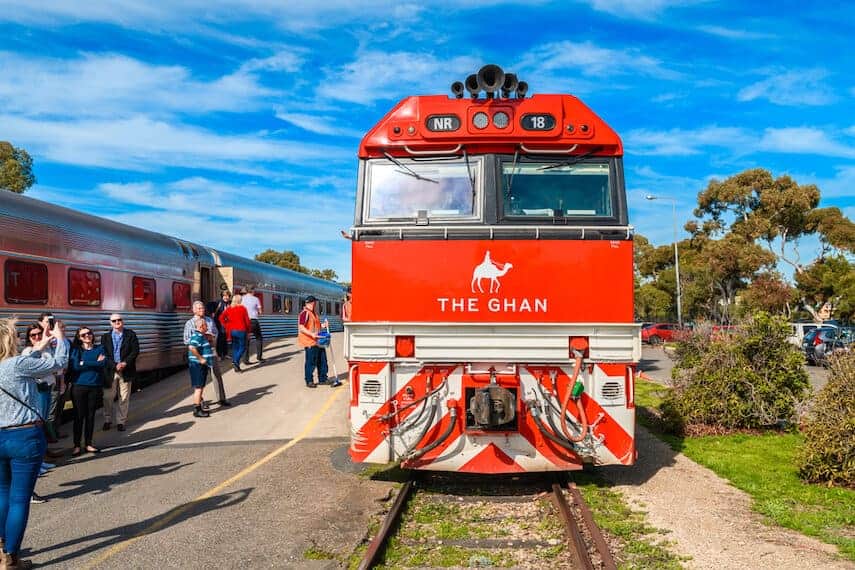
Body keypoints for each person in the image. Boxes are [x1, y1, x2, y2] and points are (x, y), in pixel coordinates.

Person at [0, 318, 68, 569]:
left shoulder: (14, 363)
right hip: (24, 437)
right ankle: (11, 559)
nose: (19, 338)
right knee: (20, 498)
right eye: (16, 335)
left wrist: (40, 345)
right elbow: (59, 364)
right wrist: (60, 338)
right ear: (8, 340)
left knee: (2, 493)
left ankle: (0, 548)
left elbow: (31, 357)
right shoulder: (17, 365)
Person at [184, 301, 230, 407]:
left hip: (211, 350)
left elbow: (215, 332)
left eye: (203, 308)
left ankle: (221, 398)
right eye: (199, 308)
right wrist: (201, 337)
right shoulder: (189, 323)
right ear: (194, 310)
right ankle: (200, 401)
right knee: (201, 379)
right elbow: (186, 340)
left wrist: (212, 336)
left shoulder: (209, 320)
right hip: (199, 353)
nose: (202, 310)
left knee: (216, 375)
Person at [69, 327, 105, 456]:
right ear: (79, 338)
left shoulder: (100, 348)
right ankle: (77, 445)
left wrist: (85, 362)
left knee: (90, 416)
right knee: (78, 417)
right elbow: (76, 366)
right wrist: (95, 362)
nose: (87, 336)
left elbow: (103, 364)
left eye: (89, 333)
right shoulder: (76, 350)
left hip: (94, 386)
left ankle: (89, 444)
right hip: (79, 386)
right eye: (83, 335)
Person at [101, 314, 139, 432]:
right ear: (110, 323)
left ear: (123, 321)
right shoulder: (105, 337)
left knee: (124, 397)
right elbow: (104, 354)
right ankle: (107, 419)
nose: (117, 322)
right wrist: (114, 365)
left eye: (119, 320)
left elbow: (135, 351)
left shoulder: (130, 334)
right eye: (114, 320)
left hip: (126, 370)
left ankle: (121, 421)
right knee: (108, 397)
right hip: (110, 371)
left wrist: (124, 363)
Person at [298, 296, 338, 388]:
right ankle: (309, 381)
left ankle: (323, 378)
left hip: (318, 340)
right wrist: (311, 334)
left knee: (322, 360)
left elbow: (317, 326)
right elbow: (301, 327)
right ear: (312, 303)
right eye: (315, 303)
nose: (315, 304)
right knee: (310, 362)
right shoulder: (305, 313)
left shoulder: (313, 314)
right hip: (310, 342)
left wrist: (324, 325)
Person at [187, 318, 214, 418]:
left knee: (200, 387)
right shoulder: (197, 336)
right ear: (201, 326)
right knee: (199, 388)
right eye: (206, 325)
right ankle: (197, 410)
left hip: (199, 365)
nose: (207, 327)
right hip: (197, 365)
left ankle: (199, 408)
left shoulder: (202, 336)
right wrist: (201, 358)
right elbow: (191, 347)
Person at [219, 294, 251, 373]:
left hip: (232, 331)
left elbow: (221, 318)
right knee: (243, 347)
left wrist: (226, 325)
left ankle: (237, 367)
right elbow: (247, 321)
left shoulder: (229, 308)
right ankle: (235, 361)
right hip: (241, 331)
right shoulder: (243, 308)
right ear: (239, 300)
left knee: (235, 348)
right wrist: (249, 332)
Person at [241, 286, 264, 365]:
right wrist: (257, 312)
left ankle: (245, 360)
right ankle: (259, 357)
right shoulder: (256, 299)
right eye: (254, 290)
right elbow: (260, 311)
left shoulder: (242, 299)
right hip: (254, 321)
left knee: (246, 340)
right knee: (259, 338)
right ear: (252, 291)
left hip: (244, 322)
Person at [213, 290, 232, 359]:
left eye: (227, 296)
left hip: (227, 323)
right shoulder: (218, 303)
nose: (226, 297)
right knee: (220, 339)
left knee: (225, 338)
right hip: (219, 323)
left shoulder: (230, 303)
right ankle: (220, 354)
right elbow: (214, 313)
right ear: (222, 296)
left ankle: (225, 353)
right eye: (224, 296)